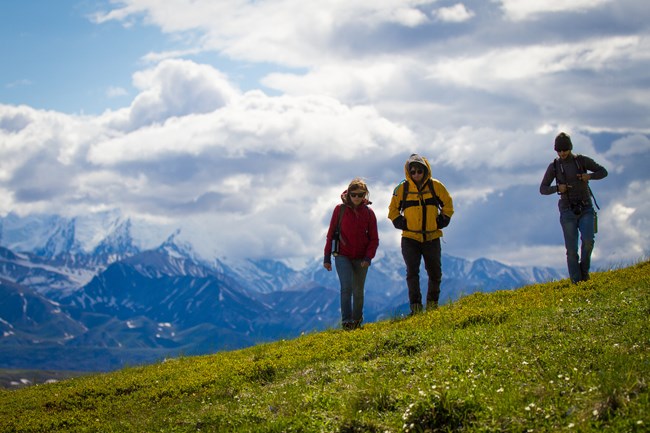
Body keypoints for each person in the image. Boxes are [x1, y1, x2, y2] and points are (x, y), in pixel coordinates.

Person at [388, 154, 454, 314]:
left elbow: (448, 204)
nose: (416, 174)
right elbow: (392, 209)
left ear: (425, 171)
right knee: (412, 273)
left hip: (432, 237)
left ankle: (432, 306)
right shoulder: (401, 189)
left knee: (435, 272)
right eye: (413, 171)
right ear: (408, 172)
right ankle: (416, 308)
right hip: (410, 238)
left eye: (420, 171)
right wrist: (399, 222)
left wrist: (443, 220)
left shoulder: (436, 186)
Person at [540, 132, 608, 283]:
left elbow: (603, 172)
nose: (562, 153)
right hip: (567, 210)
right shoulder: (554, 167)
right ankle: (577, 282)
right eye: (559, 151)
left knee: (589, 241)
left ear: (570, 148)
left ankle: (584, 273)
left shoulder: (582, 161)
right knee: (571, 250)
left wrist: (589, 176)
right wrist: (558, 188)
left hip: (586, 207)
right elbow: (543, 189)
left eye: (565, 150)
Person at [324, 178, 379, 330]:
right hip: (342, 255)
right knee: (346, 287)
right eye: (353, 194)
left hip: (362, 257)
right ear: (348, 194)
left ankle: (357, 321)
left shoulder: (369, 213)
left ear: (364, 195)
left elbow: (374, 239)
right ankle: (347, 322)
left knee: (359, 290)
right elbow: (330, 235)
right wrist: (326, 257)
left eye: (360, 195)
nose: (356, 197)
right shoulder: (339, 210)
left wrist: (368, 257)